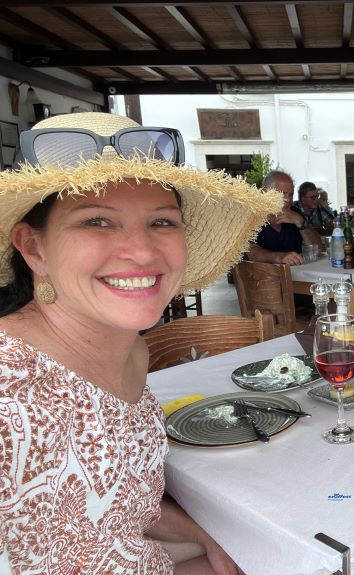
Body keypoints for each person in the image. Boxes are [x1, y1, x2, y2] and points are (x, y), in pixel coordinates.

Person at [0, 112, 282, 573]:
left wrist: (205, 539)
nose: (144, 250)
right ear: (34, 248)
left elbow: (122, 505)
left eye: (162, 222)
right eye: (97, 222)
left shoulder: (132, 351)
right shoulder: (9, 389)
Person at [249, 170, 322, 266]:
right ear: (264, 192)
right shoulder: (250, 217)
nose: (288, 200)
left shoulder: (295, 213)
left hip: (298, 276)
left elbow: (318, 248)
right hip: (262, 277)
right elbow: (250, 252)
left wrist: (302, 225)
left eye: (290, 194)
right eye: (282, 193)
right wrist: (280, 257)